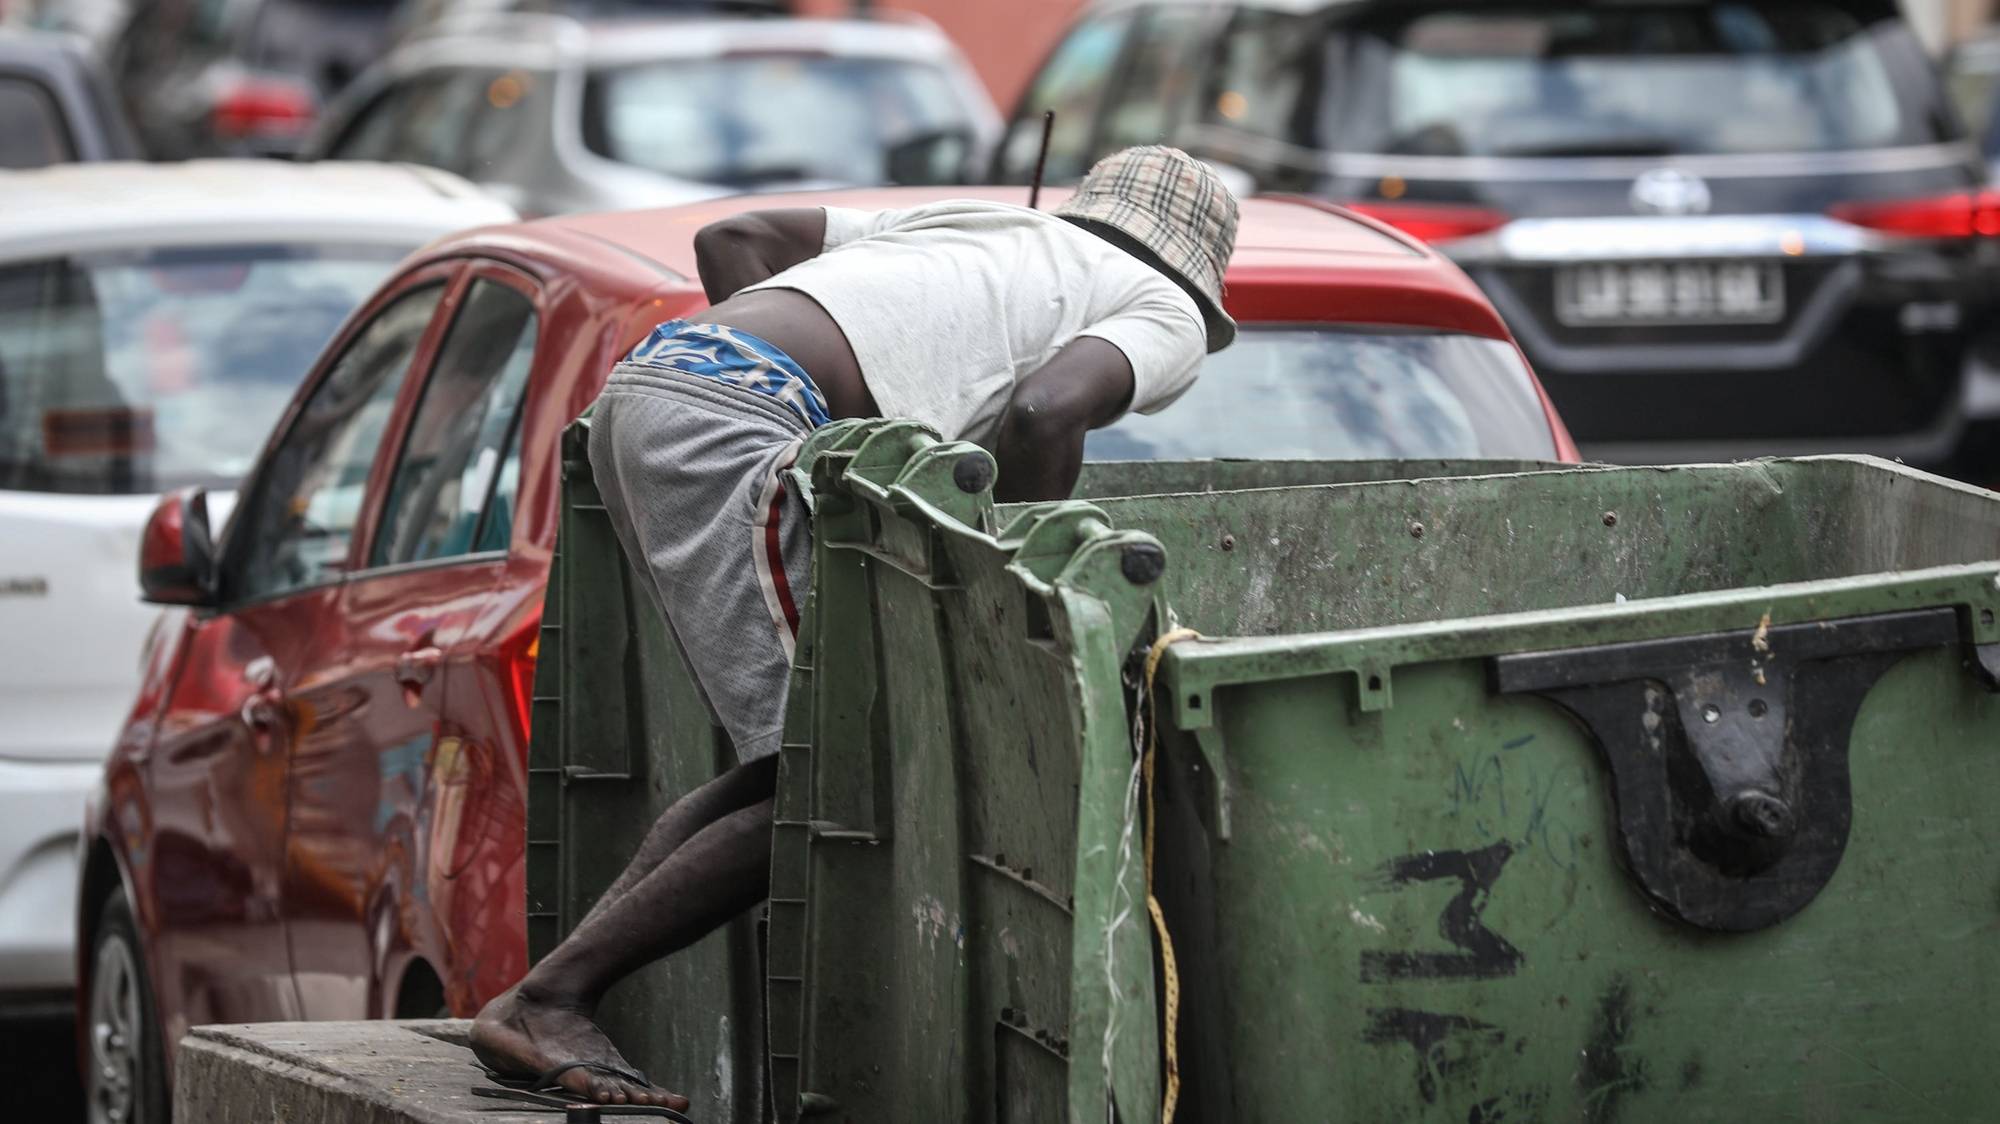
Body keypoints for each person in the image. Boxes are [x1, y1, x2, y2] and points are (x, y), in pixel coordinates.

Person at [470, 146, 1240, 1109]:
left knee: (790, 764)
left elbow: (732, 237)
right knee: (844, 772)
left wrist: (808, 415)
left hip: (659, 383)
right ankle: (551, 997)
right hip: (734, 419)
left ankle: (552, 992)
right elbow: (1048, 413)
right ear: (1199, 277)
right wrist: (1013, 589)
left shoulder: (971, 223)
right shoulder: (1159, 305)